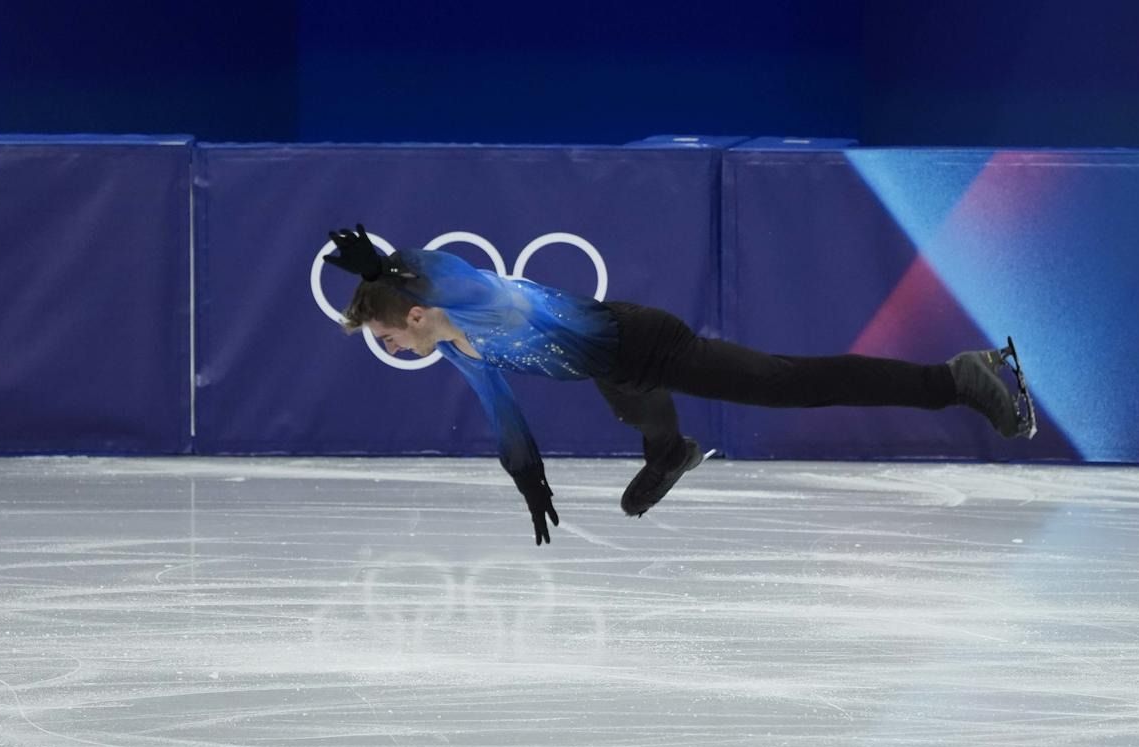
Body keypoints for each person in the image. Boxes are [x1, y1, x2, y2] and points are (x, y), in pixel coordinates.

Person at [324, 225, 1035, 546]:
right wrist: (529, 481)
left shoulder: (473, 300)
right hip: (609, 367)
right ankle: (670, 453)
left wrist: (382, 267)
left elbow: (439, 270)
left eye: (387, 336)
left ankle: (955, 379)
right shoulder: (459, 348)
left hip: (644, 341)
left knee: (789, 383)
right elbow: (504, 415)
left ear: (413, 314)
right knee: (633, 410)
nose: (392, 348)